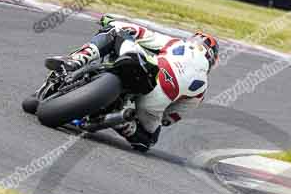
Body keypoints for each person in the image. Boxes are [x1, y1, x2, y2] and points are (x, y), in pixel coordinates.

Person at [45, 15, 219, 151]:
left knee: (115, 32)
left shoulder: (177, 43)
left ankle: (76, 60)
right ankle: (124, 121)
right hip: (152, 103)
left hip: (146, 66)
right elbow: (171, 118)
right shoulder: (202, 89)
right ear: (212, 60)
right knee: (149, 140)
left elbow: (140, 32)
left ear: (192, 40)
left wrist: (112, 22)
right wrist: (151, 117)